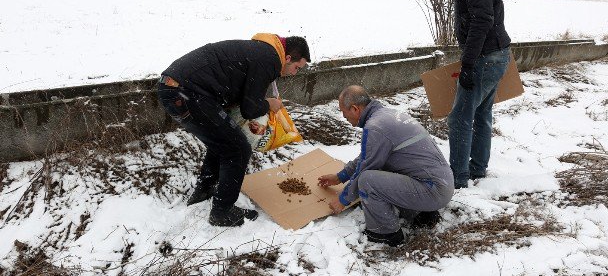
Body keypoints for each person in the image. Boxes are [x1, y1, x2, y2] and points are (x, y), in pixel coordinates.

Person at [157, 33, 310, 226]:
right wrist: (268, 104)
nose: (294, 73)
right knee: (238, 149)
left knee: (223, 140)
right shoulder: (269, 58)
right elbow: (250, 108)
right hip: (187, 93)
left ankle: (204, 190)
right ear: (288, 58)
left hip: (173, 88)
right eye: (297, 67)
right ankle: (222, 212)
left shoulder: (261, 50)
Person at [318, 85, 454, 247]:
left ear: (355, 109)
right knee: (379, 170)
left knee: (368, 180)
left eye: (343, 111)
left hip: (433, 190)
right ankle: (422, 215)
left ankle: (386, 234)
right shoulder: (386, 116)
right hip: (438, 184)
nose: (343, 116)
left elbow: (365, 168)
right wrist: (340, 176)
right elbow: (367, 156)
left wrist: (343, 200)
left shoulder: (376, 127)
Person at [431, 0, 512, 189]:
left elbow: (482, 19)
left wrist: (468, 62)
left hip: (485, 57)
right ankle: (477, 170)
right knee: (481, 113)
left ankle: (458, 179)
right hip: (494, 53)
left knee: (460, 118)